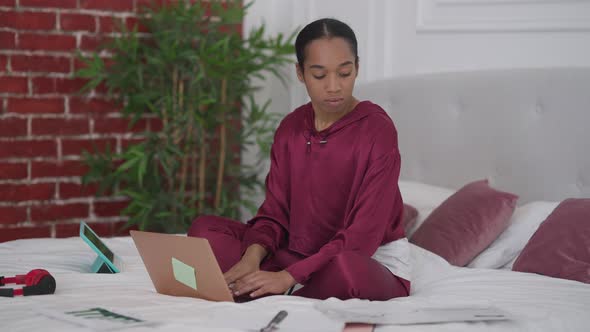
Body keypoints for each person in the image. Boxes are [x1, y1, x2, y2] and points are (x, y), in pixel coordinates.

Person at [188, 18, 410, 301]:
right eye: (319, 75)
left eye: (345, 73)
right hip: (294, 254)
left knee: (347, 271)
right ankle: (281, 286)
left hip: (364, 260)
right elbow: (274, 212)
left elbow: (362, 237)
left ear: (357, 67)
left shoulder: (378, 130)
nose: (334, 86)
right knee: (205, 230)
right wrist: (250, 259)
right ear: (300, 73)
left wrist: (286, 277)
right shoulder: (291, 127)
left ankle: (282, 291)